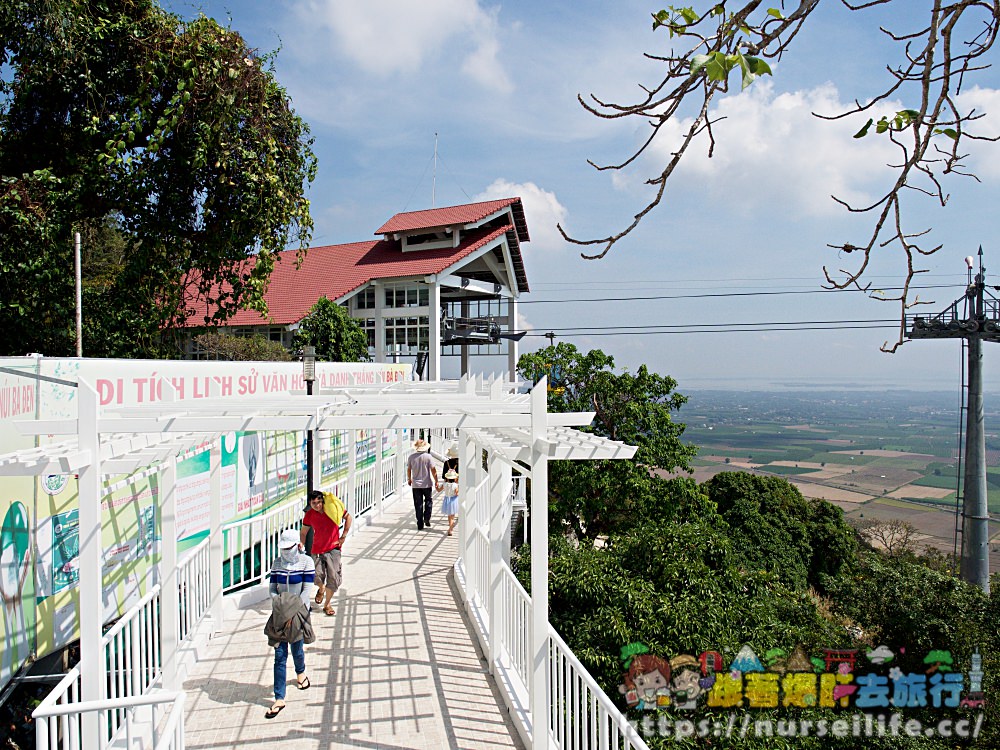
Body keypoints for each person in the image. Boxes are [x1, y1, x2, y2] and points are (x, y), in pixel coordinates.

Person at [264, 529, 315, 719]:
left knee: (297, 649)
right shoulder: (277, 563)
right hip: (279, 614)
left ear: (297, 546)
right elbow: (272, 588)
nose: (285, 552)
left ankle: (301, 673)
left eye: (288, 548)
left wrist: (291, 612)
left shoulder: (306, 562)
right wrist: (279, 605)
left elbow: (305, 591)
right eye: (283, 548)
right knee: (279, 655)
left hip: (298, 614)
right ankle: (279, 697)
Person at [300, 490, 352, 616]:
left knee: (333, 578)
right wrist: (301, 543)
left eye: (319, 502)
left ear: (322, 501)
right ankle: (321, 589)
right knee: (317, 576)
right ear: (310, 503)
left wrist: (343, 536)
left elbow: (348, 517)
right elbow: (304, 531)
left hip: (333, 549)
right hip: (317, 549)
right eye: (314, 503)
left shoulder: (331, 510)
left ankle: (327, 604)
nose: (317, 505)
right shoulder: (309, 515)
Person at [407, 438, 439, 530]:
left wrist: (409, 479)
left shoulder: (411, 457)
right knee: (428, 501)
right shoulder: (428, 457)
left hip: (416, 485)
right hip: (427, 484)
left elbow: (409, 469)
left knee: (418, 504)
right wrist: (436, 480)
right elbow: (433, 470)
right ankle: (427, 518)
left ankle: (420, 523)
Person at [440, 469, 459, 536]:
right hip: (453, 501)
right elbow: (457, 494)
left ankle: (450, 527)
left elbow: (438, 490)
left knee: (449, 515)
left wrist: (436, 485)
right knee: (452, 516)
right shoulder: (455, 485)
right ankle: (450, 529)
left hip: (447, 500)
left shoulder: (445, 484)